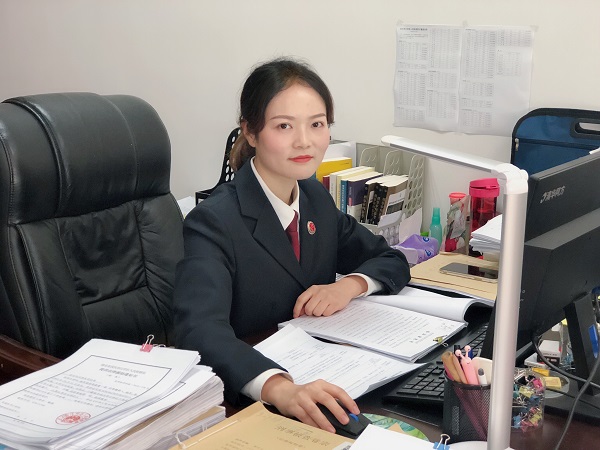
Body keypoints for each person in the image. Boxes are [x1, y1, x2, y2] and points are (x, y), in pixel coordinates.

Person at [173, 57, 411, 433]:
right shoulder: (213, 221)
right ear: (250, 132)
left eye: (317, 124)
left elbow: (389, 258)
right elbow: (199, 331)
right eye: (284, 126)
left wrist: (349, 286)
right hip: (250, 401)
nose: (304, 141)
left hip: (326, 375)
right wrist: (278, 387)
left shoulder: (314, 198)